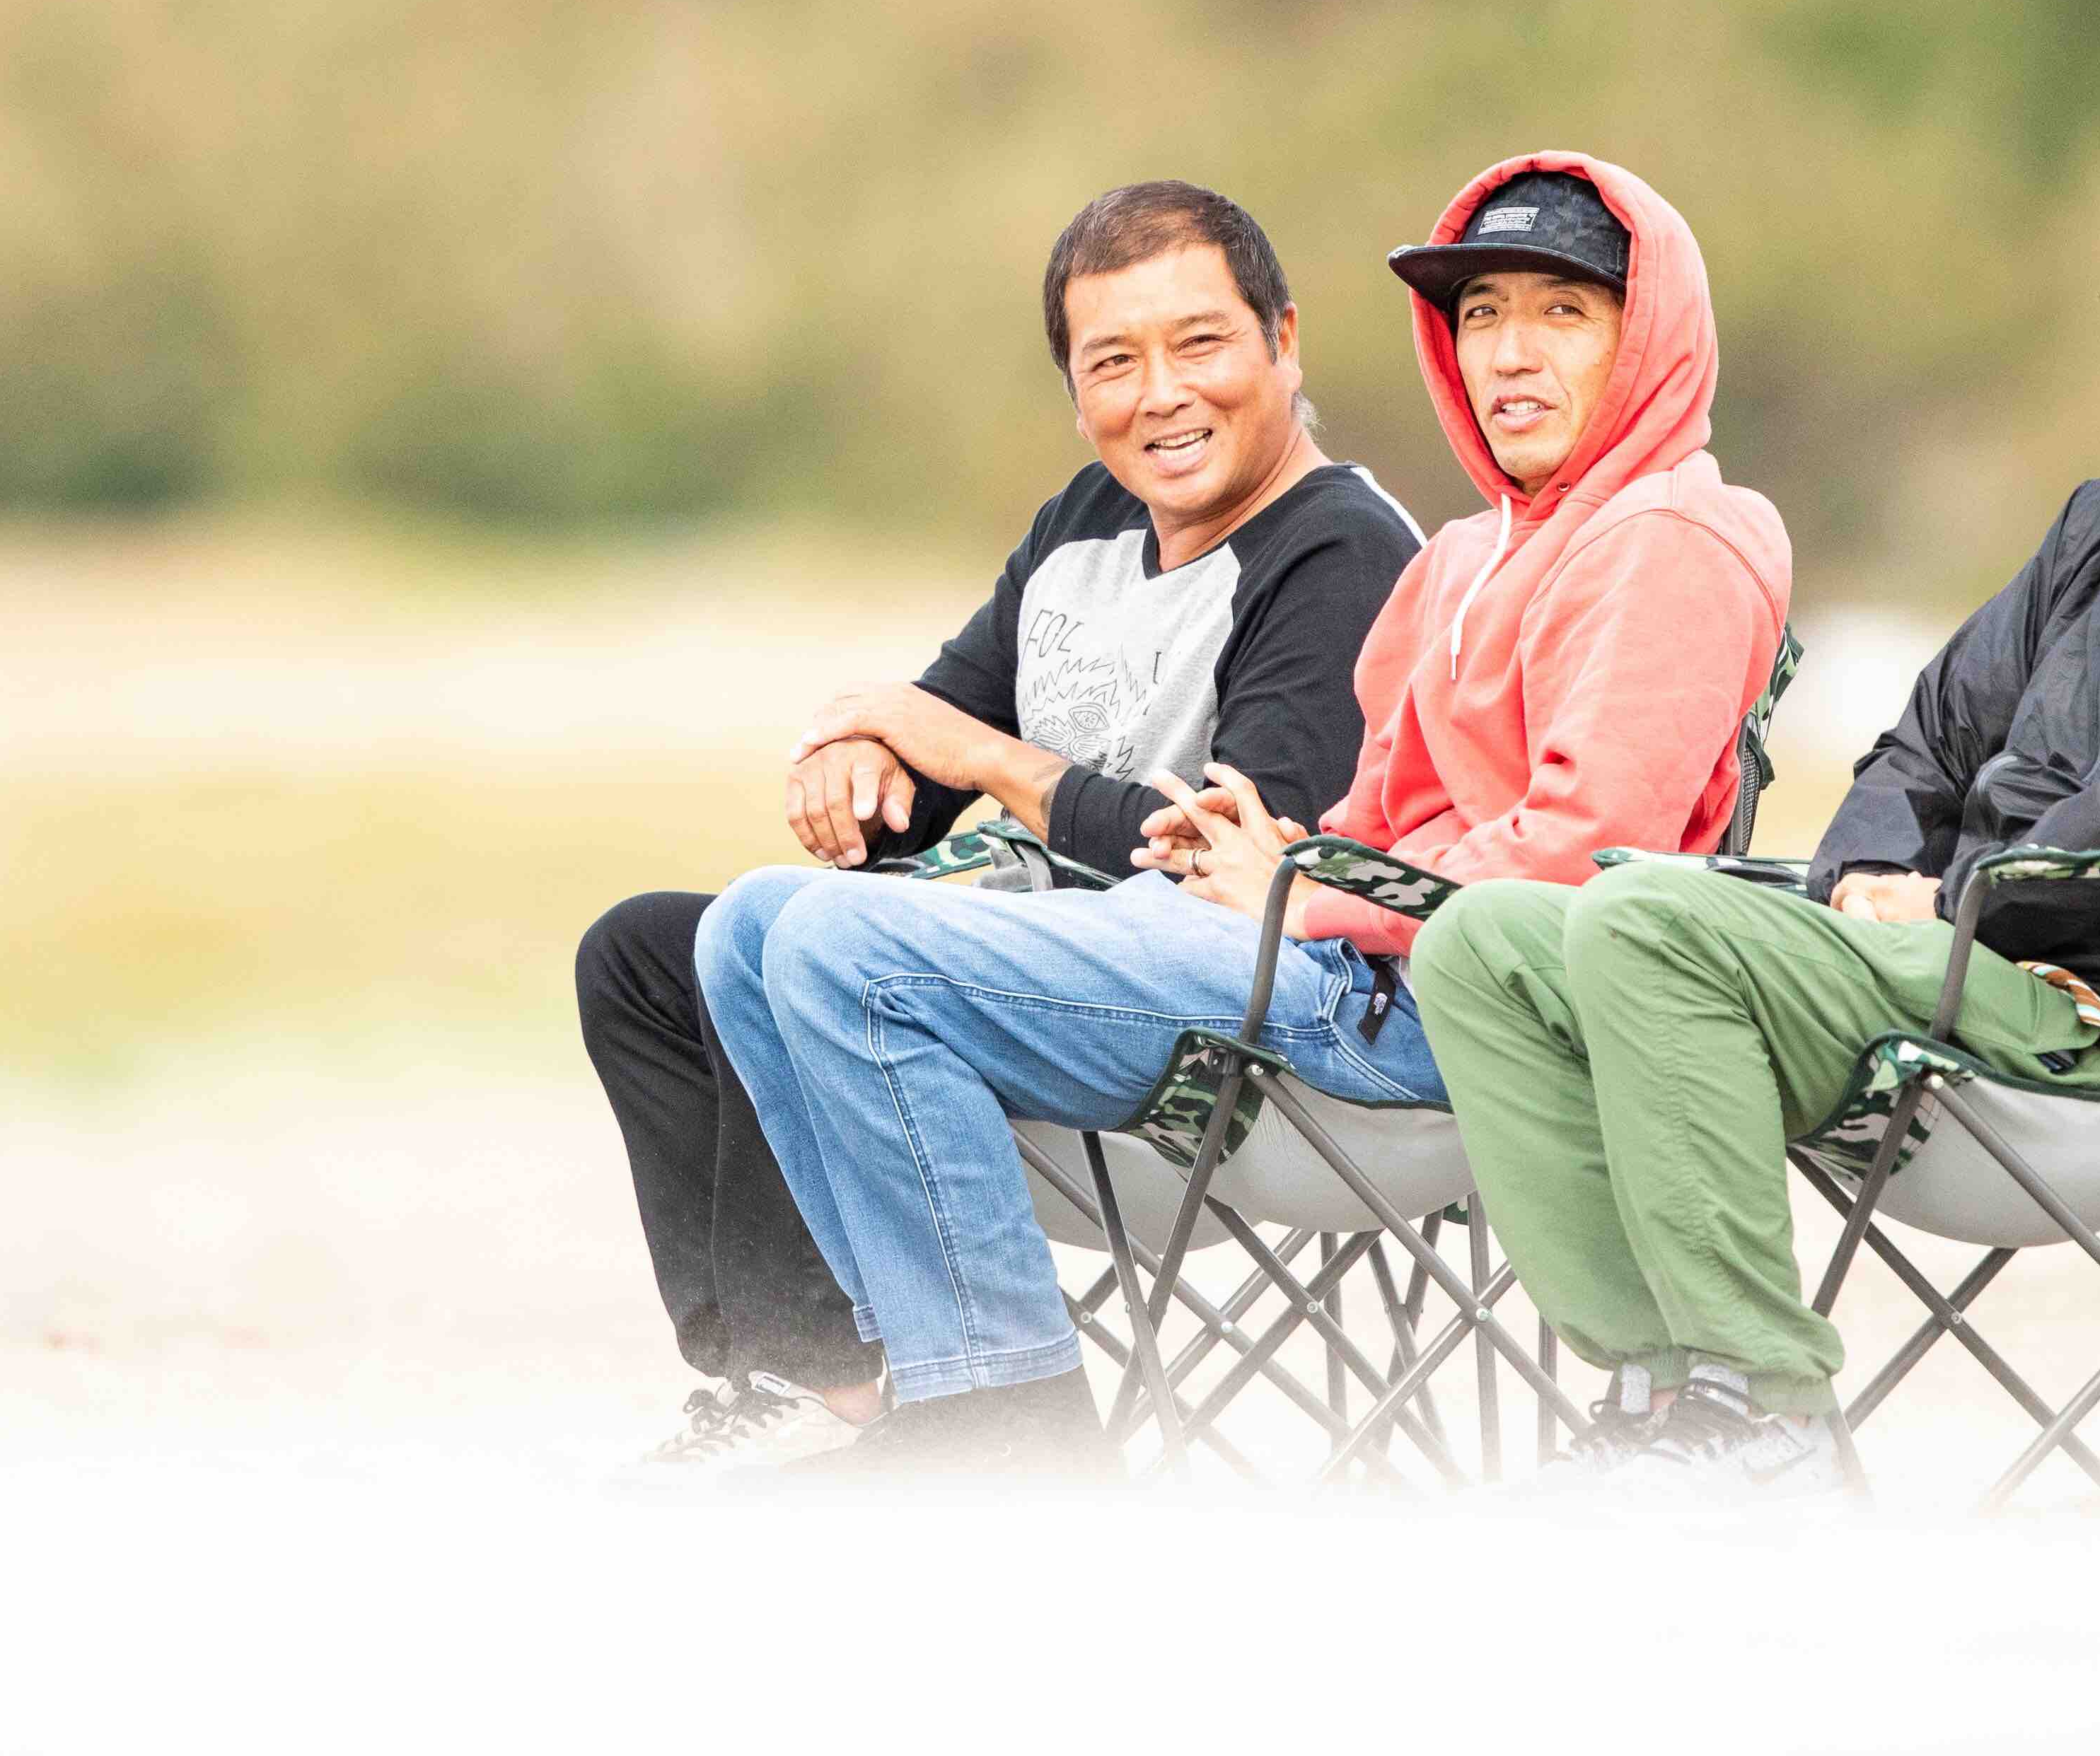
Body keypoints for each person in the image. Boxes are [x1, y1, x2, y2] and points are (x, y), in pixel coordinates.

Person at [702, 154, 1791, 1478]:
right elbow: (1377, 807)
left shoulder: (1675, 536)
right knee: (752, 922)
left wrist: (1311, 892)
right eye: (1483, 314)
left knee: (842, 947)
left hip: (1443, 1013)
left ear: (1652, 332)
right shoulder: (1470, 553)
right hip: (1326, 954)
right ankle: (907, 1386)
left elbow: (1581, 852)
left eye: (1564, 312)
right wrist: (1270, 848)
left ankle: (1004, 1424)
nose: (1510, 353)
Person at [1408, 137, 2100, 1506]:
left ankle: (1765, 1406)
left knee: (1649, 918)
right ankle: (1666, 1389)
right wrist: (1873, 874)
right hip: (1959, 971)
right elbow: (1934, 734)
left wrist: (1963, 899)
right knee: (1482, 941)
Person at [574, 181, 1422, 1473]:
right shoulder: (1088, 521)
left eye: (1200, 343)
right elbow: (941, 737)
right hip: (1040, 972)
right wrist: (870, 760)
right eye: (1113, 363)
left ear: (1283, 342)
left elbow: (1233, 866)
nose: (1162, 395)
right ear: (1075, 392)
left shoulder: (1342, 552)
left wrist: (978, 756)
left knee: (835, 945)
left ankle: (1005, 1420)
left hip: (1233, 1023)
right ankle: (819, 1383)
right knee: (665, 949)